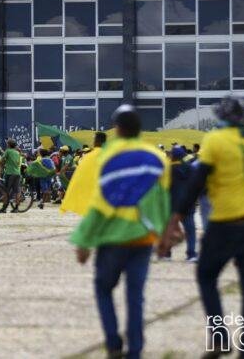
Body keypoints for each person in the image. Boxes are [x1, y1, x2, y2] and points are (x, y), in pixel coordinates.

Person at [160, 43, 244, 358]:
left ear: (222, 118)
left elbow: (197, 183)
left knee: (207, 276)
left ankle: (220, 335)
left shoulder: (216, 141)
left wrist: (175, 219)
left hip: (225, 225)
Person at [71, 105, 171, 359]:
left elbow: (100, 202)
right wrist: (164, 235)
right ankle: (135, 351)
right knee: (135, 296)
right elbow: (161, 200)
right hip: (143, 238)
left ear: (118, 129)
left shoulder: (107, 156)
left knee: (103, 289)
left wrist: (84, 240)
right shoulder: (157, 158)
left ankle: (114, 344)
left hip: (113, 239)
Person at [0, 139, 22, 209]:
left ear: (8, 145)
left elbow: (2, 160)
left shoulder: (8, 151)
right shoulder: (17, 153)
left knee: (6, 190)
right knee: (17, 191)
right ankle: (16, 207)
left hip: (9, 173)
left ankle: (4, 207)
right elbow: (18, 162)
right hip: (17, 173)